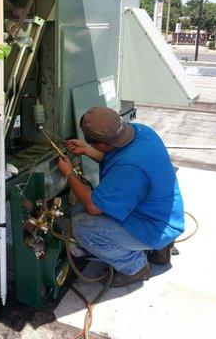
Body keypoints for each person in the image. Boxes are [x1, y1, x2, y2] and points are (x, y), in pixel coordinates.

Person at [57, 106, 184, 287]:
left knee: (82, 223)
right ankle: (160, 249)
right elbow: (119, 158)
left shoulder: (130, 166)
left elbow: (93, 206)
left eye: (93, 145)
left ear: (102, 144)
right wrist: (87, 150)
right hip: (164, 214)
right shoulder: (141, 132)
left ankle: (135, 267)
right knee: (90, 203)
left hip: (153, 226)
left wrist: (69, 173)